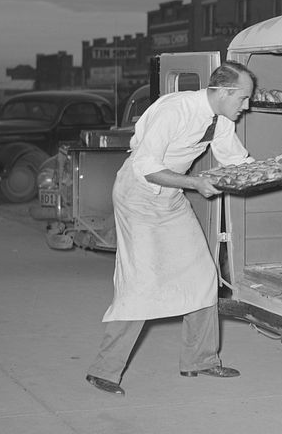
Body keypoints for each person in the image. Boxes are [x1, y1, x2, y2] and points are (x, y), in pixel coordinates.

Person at [85, 62, 256, 396]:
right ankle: (103, 370)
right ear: (223, 91)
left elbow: (236, 160)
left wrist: (280, 168)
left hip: (171, 195)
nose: (246, 106)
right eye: (243, 98)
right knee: (140, 282)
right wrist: (195, 183)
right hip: (138, 193)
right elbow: (147, 168)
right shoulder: (174, 109)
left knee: (202, 275)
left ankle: (200, 359)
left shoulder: (220, 120)